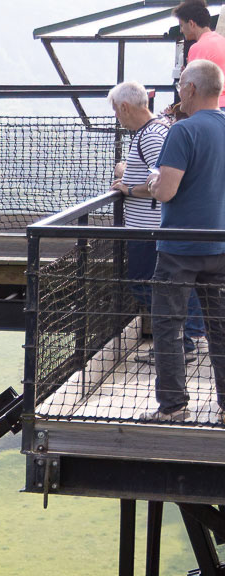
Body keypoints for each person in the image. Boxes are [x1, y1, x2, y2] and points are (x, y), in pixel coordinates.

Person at [134, 57, 225, 421]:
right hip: (220, 245)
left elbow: (167, 191)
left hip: (179, 249)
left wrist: (154, 182)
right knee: (220, 327)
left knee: (169, 326)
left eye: (179, 87)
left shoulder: (182, 132)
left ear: (189, 89)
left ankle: (173, 407)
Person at [109, 83, 205, 358]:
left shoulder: (151, 135)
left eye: (117, 111)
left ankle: (181, 342)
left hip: (149, 228)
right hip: (151, 227)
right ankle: (186, 337)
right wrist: (126, 172)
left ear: (125, 107)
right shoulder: (156, 129)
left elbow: (163, 180)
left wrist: (128, 188)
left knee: (142, 282)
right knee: (162, 285)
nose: (118, 117)